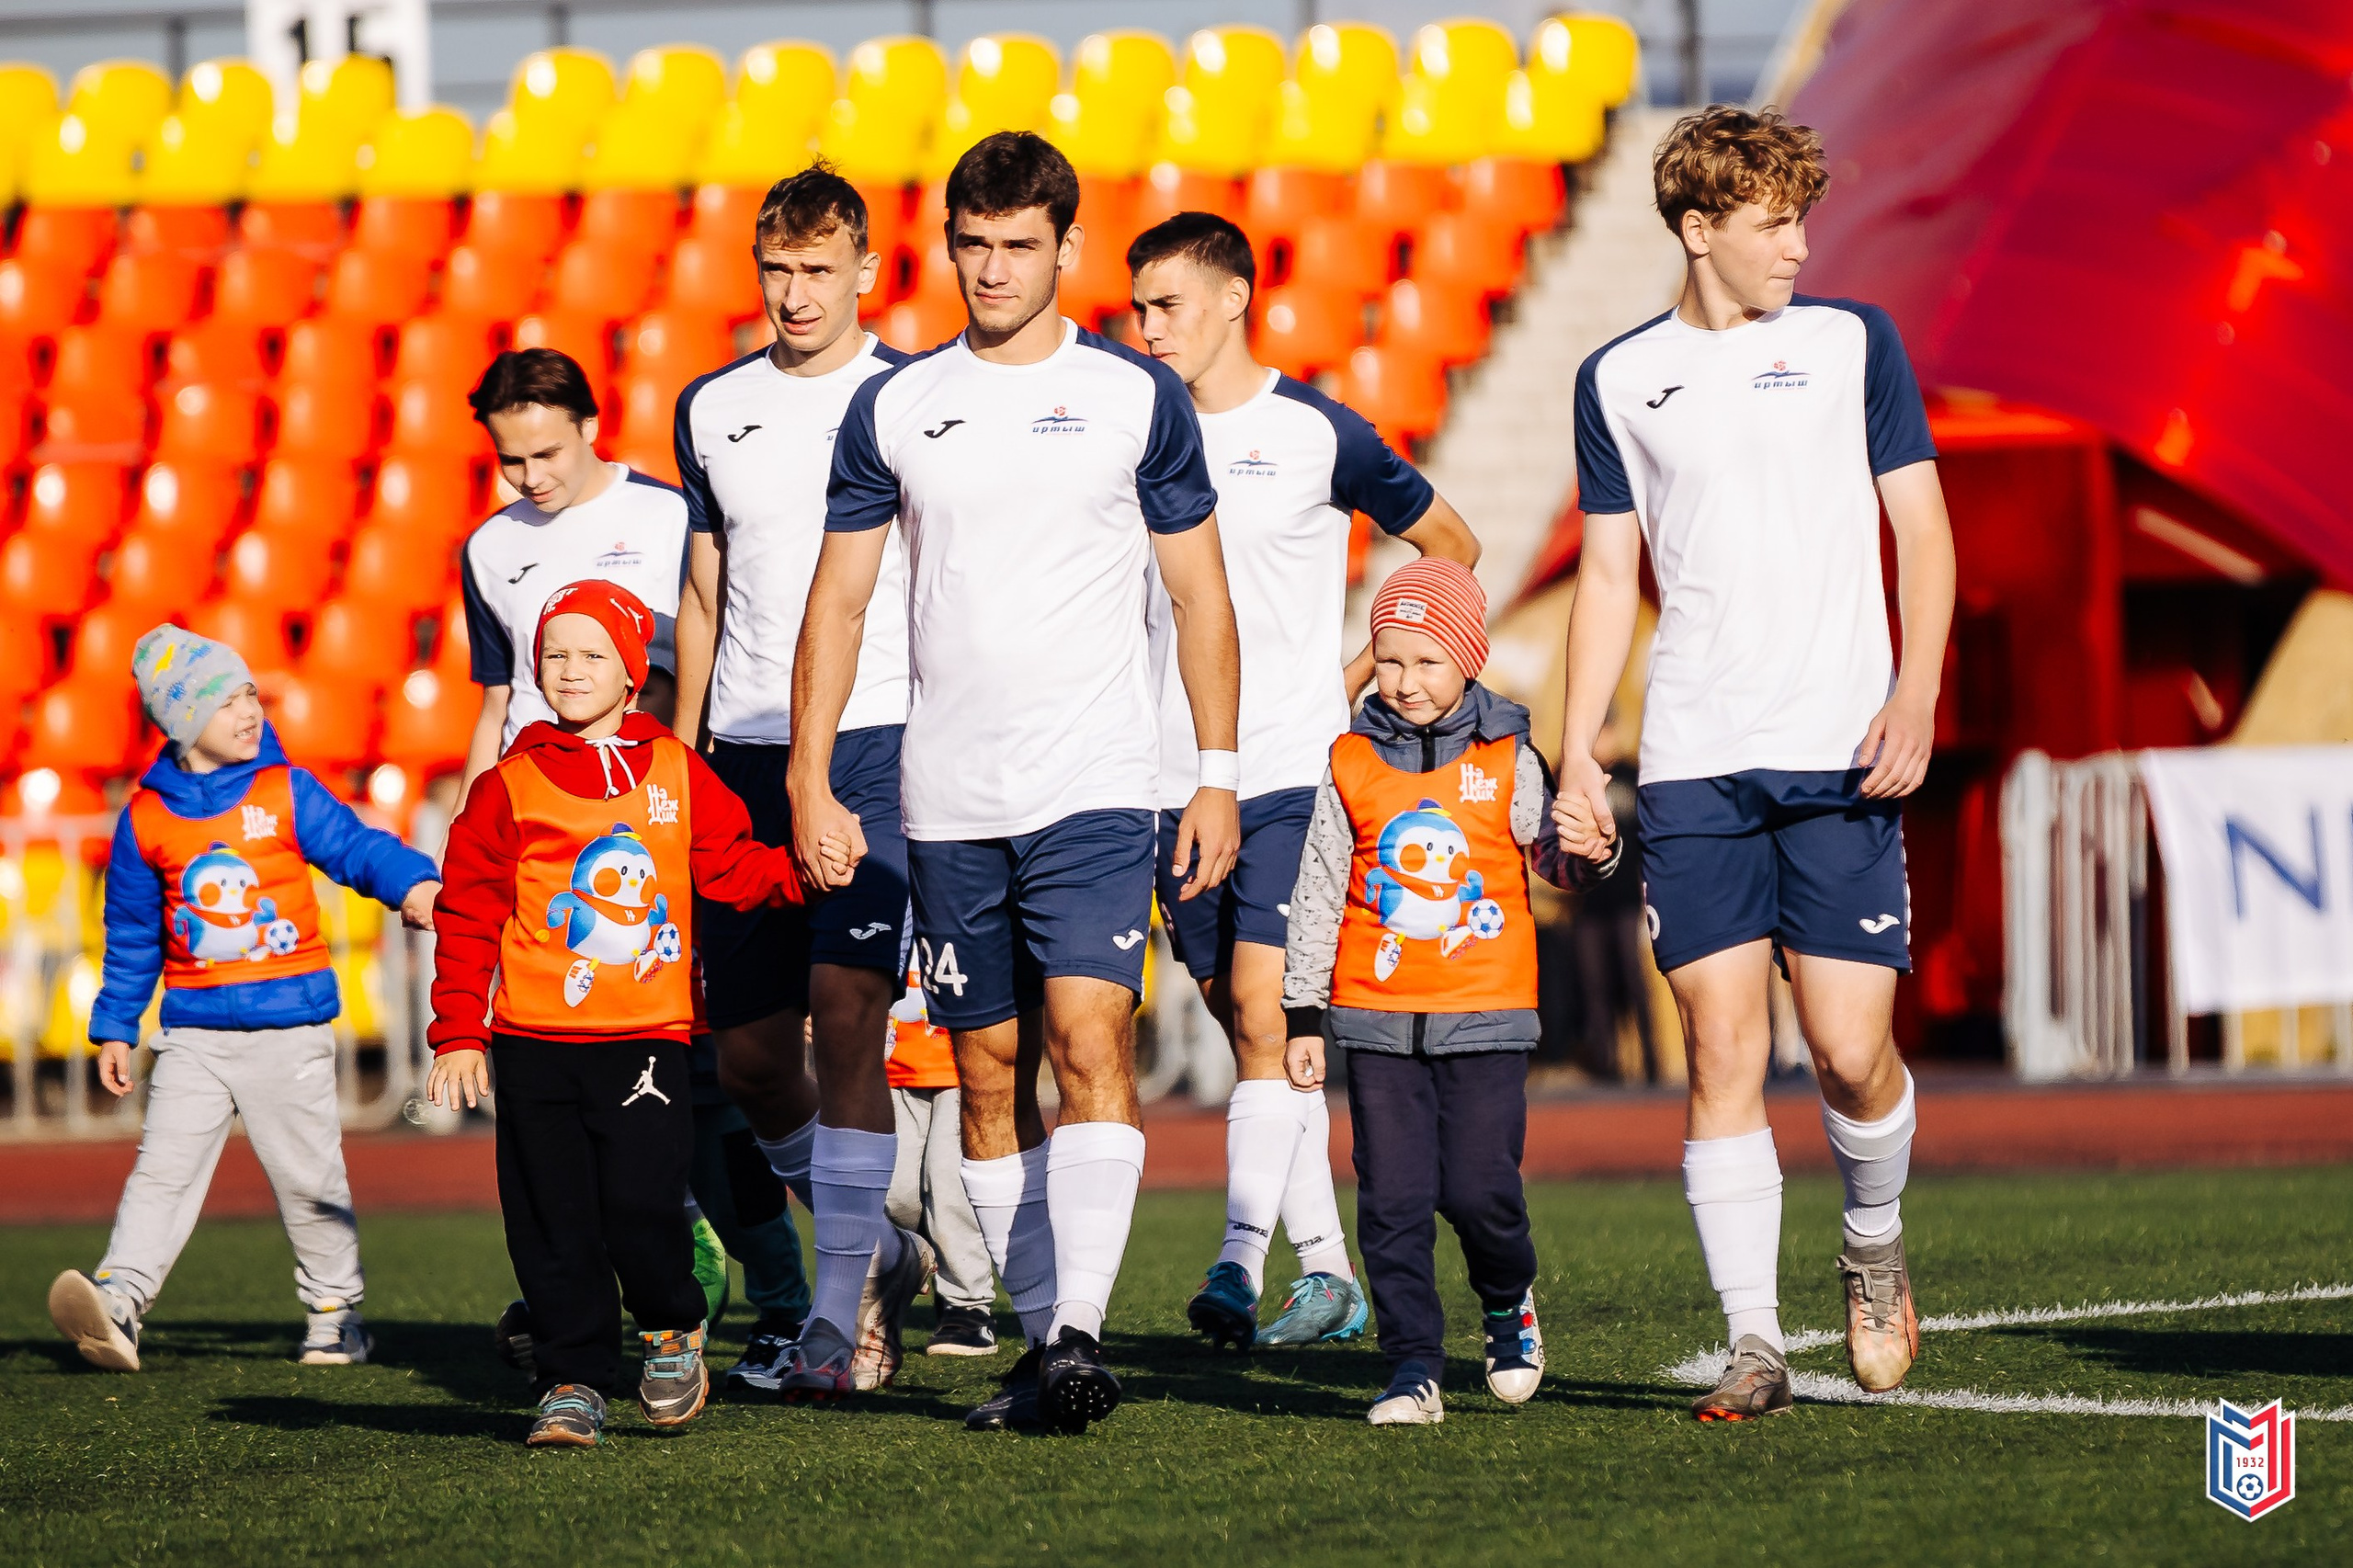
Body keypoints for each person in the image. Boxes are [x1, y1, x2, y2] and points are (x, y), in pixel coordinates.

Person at [796, 131, 1243, 1434]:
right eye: (973, 244)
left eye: (1019, 245)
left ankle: (1081, 1331)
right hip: (945, 798)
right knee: (984, 1074)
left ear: (1067, 249)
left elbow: (1200, 592)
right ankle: (1050, 1343)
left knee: (1087, 1038)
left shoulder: (1134, 397)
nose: (993, 268)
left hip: (1098, 784)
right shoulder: (891, 406)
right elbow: (839, 597)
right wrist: (812, 777)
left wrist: (1210, 773)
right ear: (947, 245)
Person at [1553, 106, 1956, 1420]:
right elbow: (1609, 575)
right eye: (1773, 220)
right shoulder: (1616, 378)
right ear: (1697, 228)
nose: (1798, 243)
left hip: (1844, 749)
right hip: (1693, 764)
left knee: (1848, 1052)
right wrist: (1575, 757)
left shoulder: (1853, 345)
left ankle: (1875, 1238)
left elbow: (1926, 534)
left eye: (1801, 217)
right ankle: (1754, 1342)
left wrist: (1917, 692)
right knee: (1721, 1047)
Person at [1122, 210, 1484, 1349]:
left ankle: (1235, 1261)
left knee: (1267, 1009)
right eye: (1135, 308)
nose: (1146, 328)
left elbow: (1450, 546)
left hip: (1289, 768)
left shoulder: (1315, 431)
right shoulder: (1125, 431)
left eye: (1165, 305)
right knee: (1253, 1038)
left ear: (1233, 298)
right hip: (1159, 774)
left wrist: (1362, 669)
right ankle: (1324, 1271)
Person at [425, 581, 843, 1447]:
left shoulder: (678, 772)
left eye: (591, 655)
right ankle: (572, 1379)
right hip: (533, 1044)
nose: (569, 670)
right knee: (549, 1220)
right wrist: (461, 1031)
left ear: (631, 674)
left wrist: (806, 871)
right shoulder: (509, 786)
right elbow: (467, 913)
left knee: (642, 1208)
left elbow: (731, 869)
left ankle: (669, 1328)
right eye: (554, 655)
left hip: (646, 1043)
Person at [669, 165, 935, 1401]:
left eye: (818, 270)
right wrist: (668, 768)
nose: (793, 293)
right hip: (740, 752)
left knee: (845, 1017)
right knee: (752, 1056)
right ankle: (876, 1246)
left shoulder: (910, 399)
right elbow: (707, 593)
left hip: (875, 739)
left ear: (866, 272)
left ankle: (843, 1316)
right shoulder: (710, 406)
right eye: (775, 269)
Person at [47, 625, 440, 1373]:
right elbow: (130, 934)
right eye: (226, 701)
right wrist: (116, 1027)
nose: (249, 710)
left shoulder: (285, 788)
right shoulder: (145, 818)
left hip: (289, 1030)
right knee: (162, 1170)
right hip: (192, 1036)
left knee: (309, 1180)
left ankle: (334, 1314)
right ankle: (120, 1300)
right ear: (182, 722)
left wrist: (413, 882)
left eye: (250, 693)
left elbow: (356, 848)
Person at [1282, 559, 1615, 1425]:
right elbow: (1321, 888)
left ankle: (1508, 1304)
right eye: (1389, 660)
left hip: (1487, 1016)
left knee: (1478, 1193)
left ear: (1469, 659)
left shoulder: (1508, 753)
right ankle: (1413, 1369)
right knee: (1390, 1203)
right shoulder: (1349, 761)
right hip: (1376, 1019)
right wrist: (1304, 1012)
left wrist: (1591, 848)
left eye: (1428, 662)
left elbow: (1555, 863)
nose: (1406, 682)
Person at [458, 347, 691, 798]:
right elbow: (498, 702)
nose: (531, 478)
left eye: (548, 454)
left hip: (639, 790)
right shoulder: (487, 547)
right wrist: (462, 827)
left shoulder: (672, 515)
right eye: (512, 460)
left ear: (590, 426)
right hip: (529, 796)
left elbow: (699, 671)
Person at [882, 968, 1002, 1356]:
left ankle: (967, 1307)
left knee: (950, 1182)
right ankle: (909, 1264)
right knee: (894, 1193)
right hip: (889, 1062)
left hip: (967, 1058)